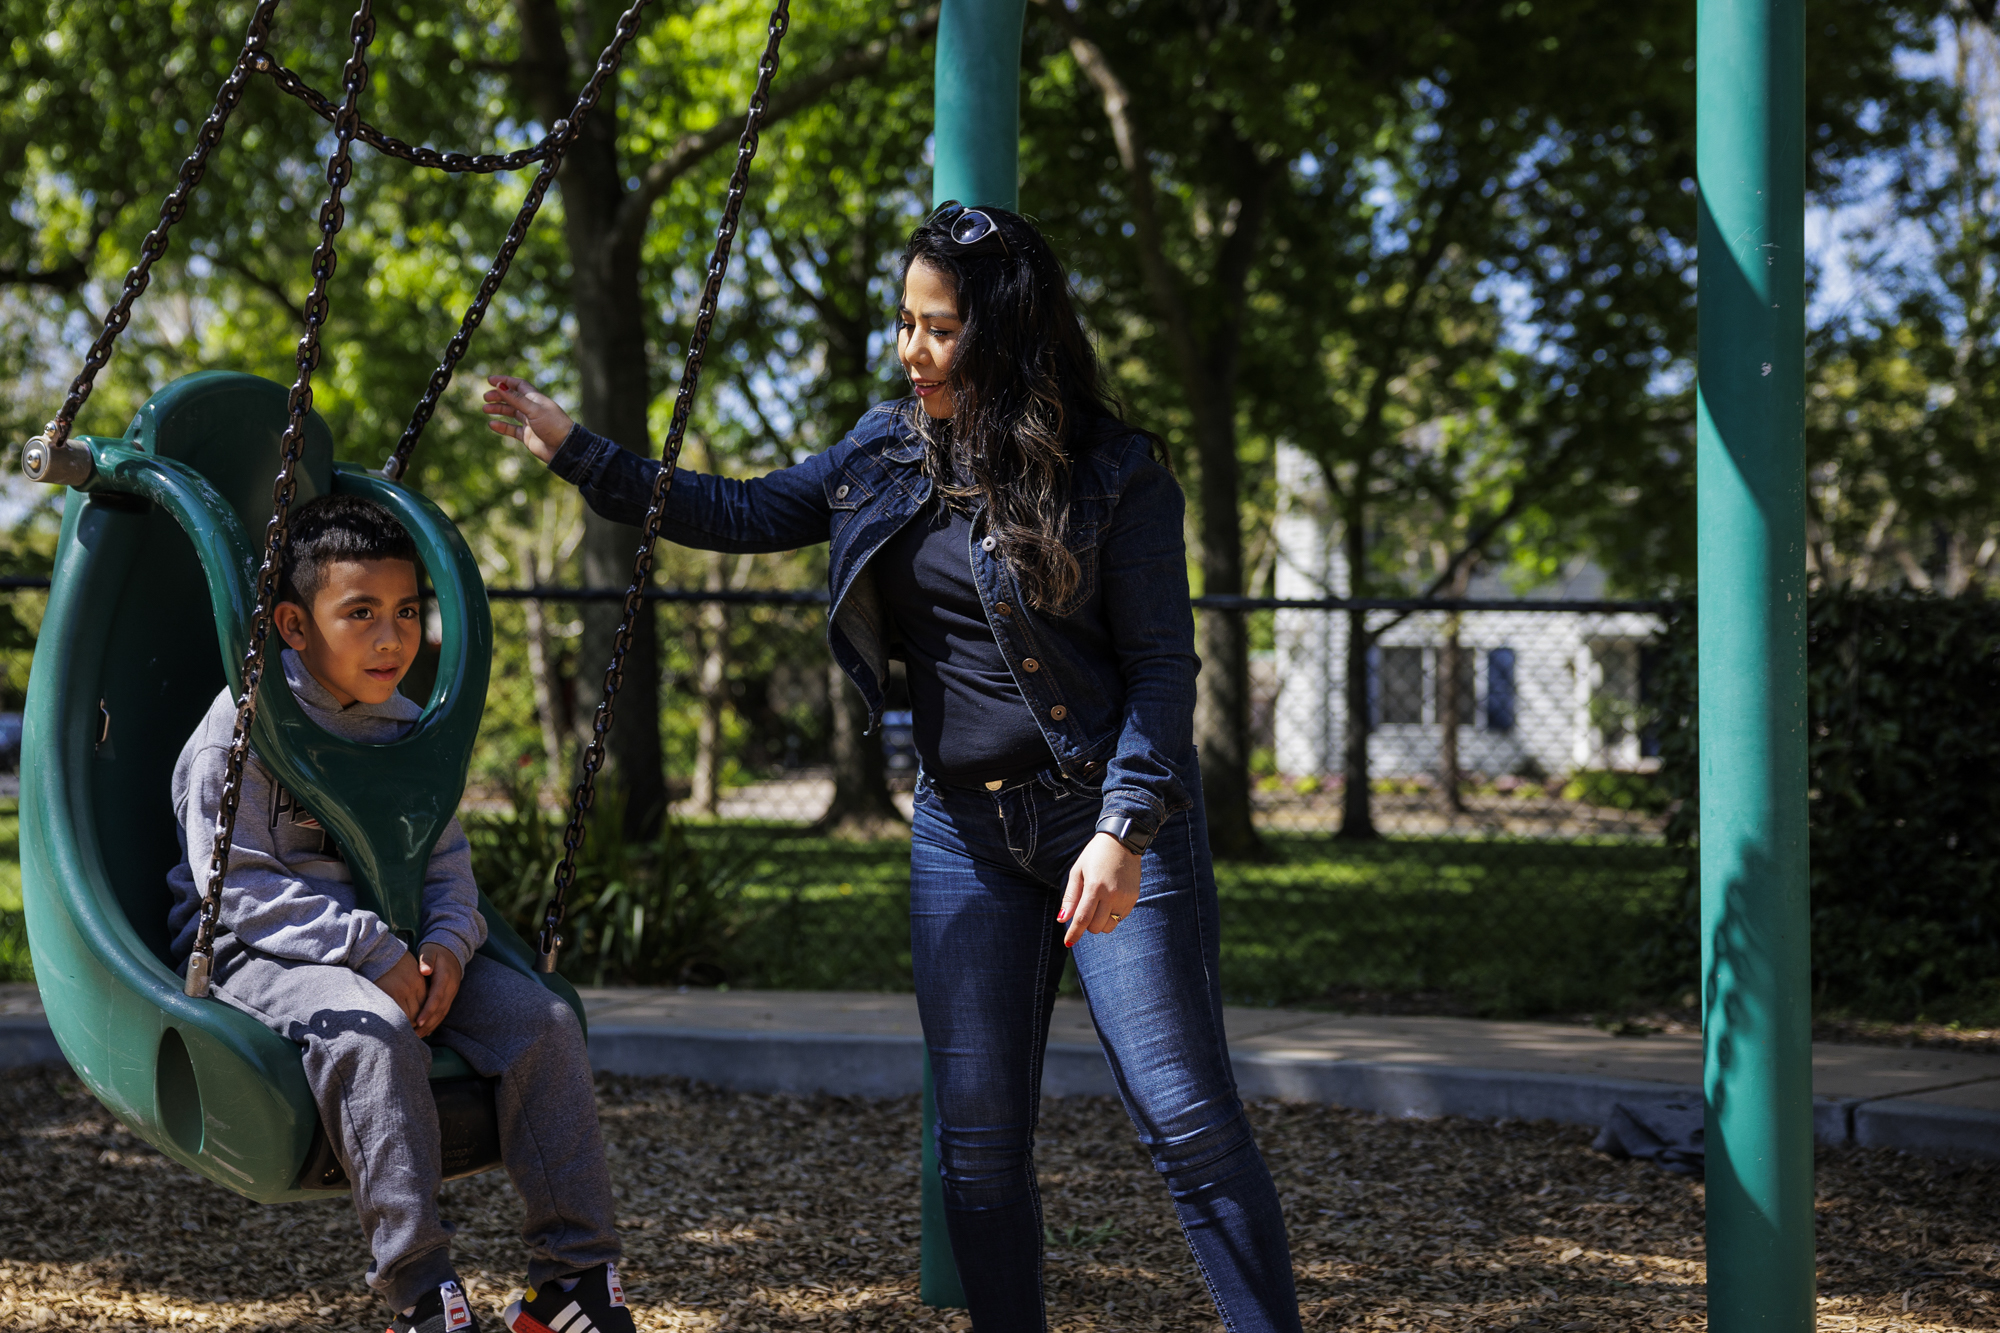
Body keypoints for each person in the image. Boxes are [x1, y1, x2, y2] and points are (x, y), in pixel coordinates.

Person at [483, 201, 1303, 1333]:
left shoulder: (1115, 475)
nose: (910, 350)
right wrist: (583, 454)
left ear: (1007, 334)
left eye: (938, 328)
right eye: (904, 323)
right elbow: (743, 507)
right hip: (961, 834)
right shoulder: (884, 447)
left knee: (1185, 1121)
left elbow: (1165, 671)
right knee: (973, 1145)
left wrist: (1125, 825)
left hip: (1108, 825)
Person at [164, 495, 632, 1333]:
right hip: (256, 947)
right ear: (295, 625)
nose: (392, 638)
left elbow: (446, 865)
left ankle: (575, 1279)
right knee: (372, 1029)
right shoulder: (241, 733)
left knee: (545, 1020)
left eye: (408, 611)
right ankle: (423, 1292)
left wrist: (450, 945)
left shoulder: (409, 727)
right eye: (362, 614)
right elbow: (233, 885)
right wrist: (370, 949)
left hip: (401, 946)